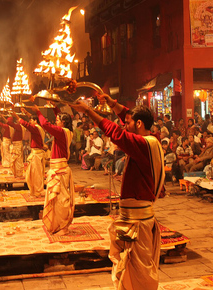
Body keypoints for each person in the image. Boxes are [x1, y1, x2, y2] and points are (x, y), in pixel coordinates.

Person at [71, 94, 165, 290]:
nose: (124, 124)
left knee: (138, 273)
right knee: (127, 269)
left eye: (128, 123)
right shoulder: (149, 140)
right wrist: (113, 104)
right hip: (132, 219)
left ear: (139, 124)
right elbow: (126, 120)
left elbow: (117, 133)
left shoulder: (143, 144)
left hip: (138, 223)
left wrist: (88, 111)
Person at [32, 104, 74, 236]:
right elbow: (57, 116)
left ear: (64, 122)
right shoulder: (64, 131)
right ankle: (58, 224)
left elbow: (45, 124)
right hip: (57, 168)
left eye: (58, 120)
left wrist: (38, 111)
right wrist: (53, 105)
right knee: (55, 200)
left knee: (61, 200)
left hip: (60, 170)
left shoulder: (62, 132)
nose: (56, 121)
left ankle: (64, 227)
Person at [12, 109, 46, 197]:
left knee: (36, 174)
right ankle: (35, 190)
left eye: (31, 120)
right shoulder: (38, 128)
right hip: (36, 154)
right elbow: (30, 122)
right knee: (32, 174)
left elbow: (26, 125)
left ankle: (38, 191)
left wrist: (16, 116)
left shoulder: (36, 128)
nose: (30, 121)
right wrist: (26, 112)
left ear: (35, 121)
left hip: (37, 155)